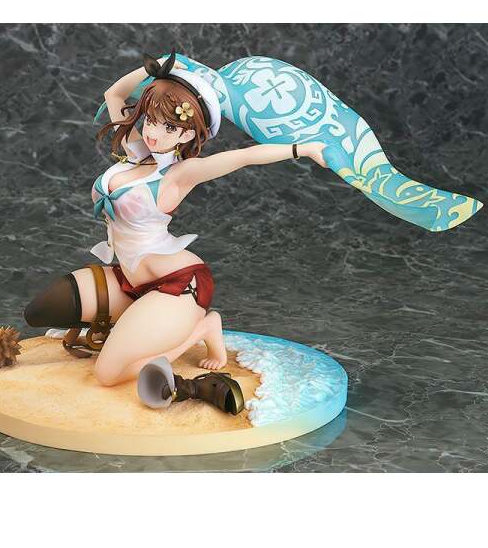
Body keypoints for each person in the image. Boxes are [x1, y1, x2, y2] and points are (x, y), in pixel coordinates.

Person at [23, 51, 328, 412]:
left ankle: (201, 329)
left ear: (188, 133)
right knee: (46, 306)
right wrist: (157, 67)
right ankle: (142, 324)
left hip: (179, 285)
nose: (154, 133)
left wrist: (302, 149)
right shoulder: (134, 148)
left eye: (169, 128)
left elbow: (243, 157)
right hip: (130, 279)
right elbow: (113, 94)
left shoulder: (179, 175)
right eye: (151, 120)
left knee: (107, 372)